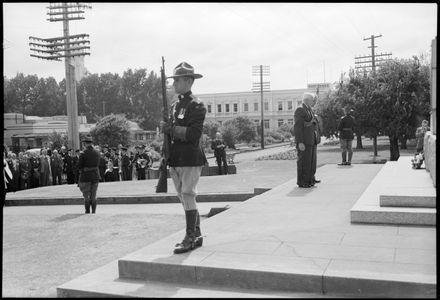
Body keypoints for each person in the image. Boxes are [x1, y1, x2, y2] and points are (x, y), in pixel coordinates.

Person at [161, 61, 207, 254]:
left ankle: (190, 237)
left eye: (177, 80)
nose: (174, 84)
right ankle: (196, 234)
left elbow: (193, 134)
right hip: (176, 158)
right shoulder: (175, 105)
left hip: (189, 157)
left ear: (188, 81)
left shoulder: (196, 105)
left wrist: (172, 129)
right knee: (183, 197)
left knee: (188, 195)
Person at [292, 92, 319, 188]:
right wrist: (300, 142)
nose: (314, 102)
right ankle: (302, 181)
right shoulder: (300, 109)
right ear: (307, 100)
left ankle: (309, 179)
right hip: (304, 141)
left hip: (310, 140)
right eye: (312, 100)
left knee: (310, 162)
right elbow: (297, 127)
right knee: (303, 162)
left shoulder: (308, 109)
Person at [77, 135, 101, 214]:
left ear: (85, 144)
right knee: (93, 196)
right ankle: (93, 211)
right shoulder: (97, 152)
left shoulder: (83, 153)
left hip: (85, 177)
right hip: (95, 176)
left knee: (86, 196)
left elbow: (79, 166)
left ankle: (87, 211)